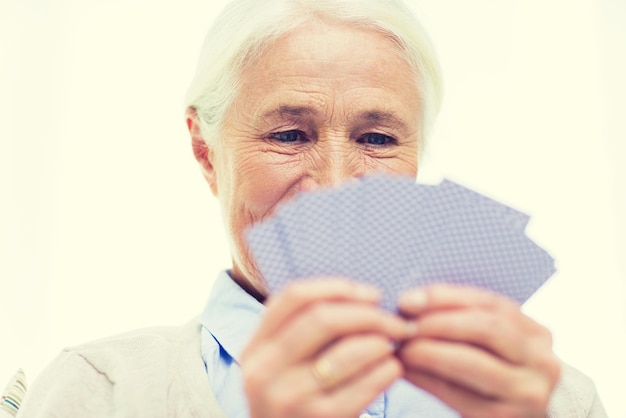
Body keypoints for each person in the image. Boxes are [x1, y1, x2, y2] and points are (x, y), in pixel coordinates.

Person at [17, 0, 606, 417]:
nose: (334, 186)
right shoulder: (102, 394)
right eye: (289, 135)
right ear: (205, 151)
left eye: (378, 140)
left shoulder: (556, 404)